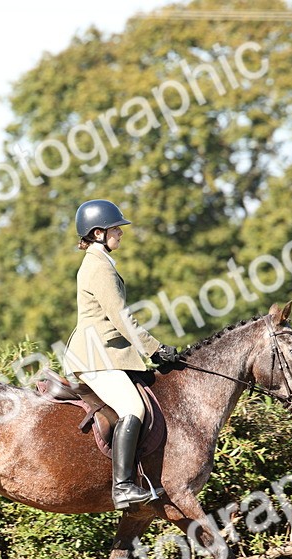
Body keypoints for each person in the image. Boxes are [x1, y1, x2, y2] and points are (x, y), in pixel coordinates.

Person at [63, 199, 179, 509]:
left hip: (107, 355)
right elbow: (121, 317)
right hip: (96, 357)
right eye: (116, 229)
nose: (121, 233)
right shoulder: (98, 267)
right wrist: (156, 349)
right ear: (99, 233)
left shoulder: (100, 263)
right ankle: (123, 487)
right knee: (133, 407)